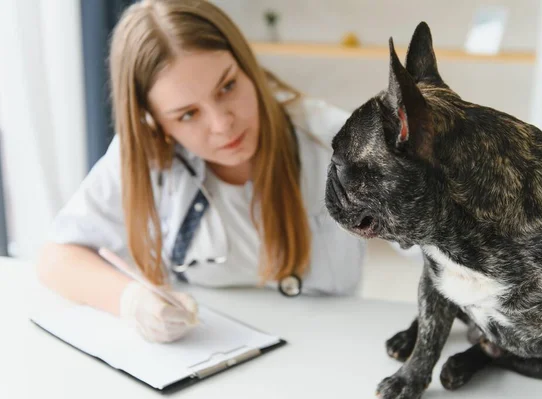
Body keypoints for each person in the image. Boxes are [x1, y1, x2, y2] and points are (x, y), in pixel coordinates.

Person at [36, 0, 365, 343]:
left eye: (227, 87)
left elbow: (426, 235)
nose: (223, 125)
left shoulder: (334, 139)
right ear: (157, 124)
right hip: (210, 350)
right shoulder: (146, 155)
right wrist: (131, 301)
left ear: (245, 63)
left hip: (330, 345)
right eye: (188, 115)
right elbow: (56, 258)